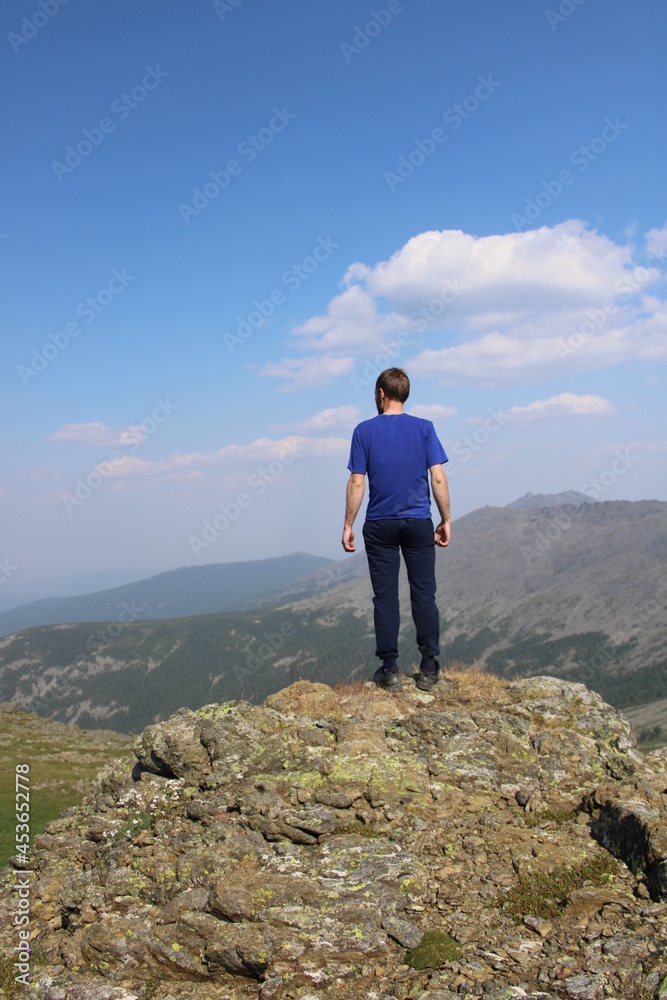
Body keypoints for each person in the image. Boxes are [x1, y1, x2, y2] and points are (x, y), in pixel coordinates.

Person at [342, 368, 451, 692]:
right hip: (418, 522)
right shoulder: (425, 428)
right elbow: (439, 477)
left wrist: (348, 523)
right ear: (403, 393)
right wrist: (445, 519)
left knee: (385, 598)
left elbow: (357, 480)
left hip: (379, 524)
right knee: (424, 594)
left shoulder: (363, 431)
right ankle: (429, 668)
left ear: (380, 394)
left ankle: (390, 671)